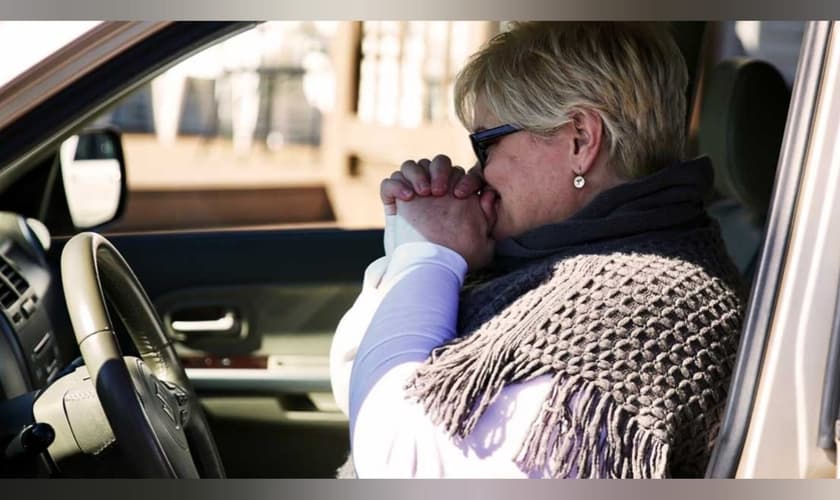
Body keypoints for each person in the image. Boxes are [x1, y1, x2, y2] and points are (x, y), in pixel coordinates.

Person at [330, 22, 745, 478]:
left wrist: (428, 256)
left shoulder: (647, 301)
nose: (475, 170)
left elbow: (398, 458)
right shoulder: (552, 263)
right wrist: (412, 252)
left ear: (581, 140)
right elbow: (359, 380)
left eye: (486, 143)